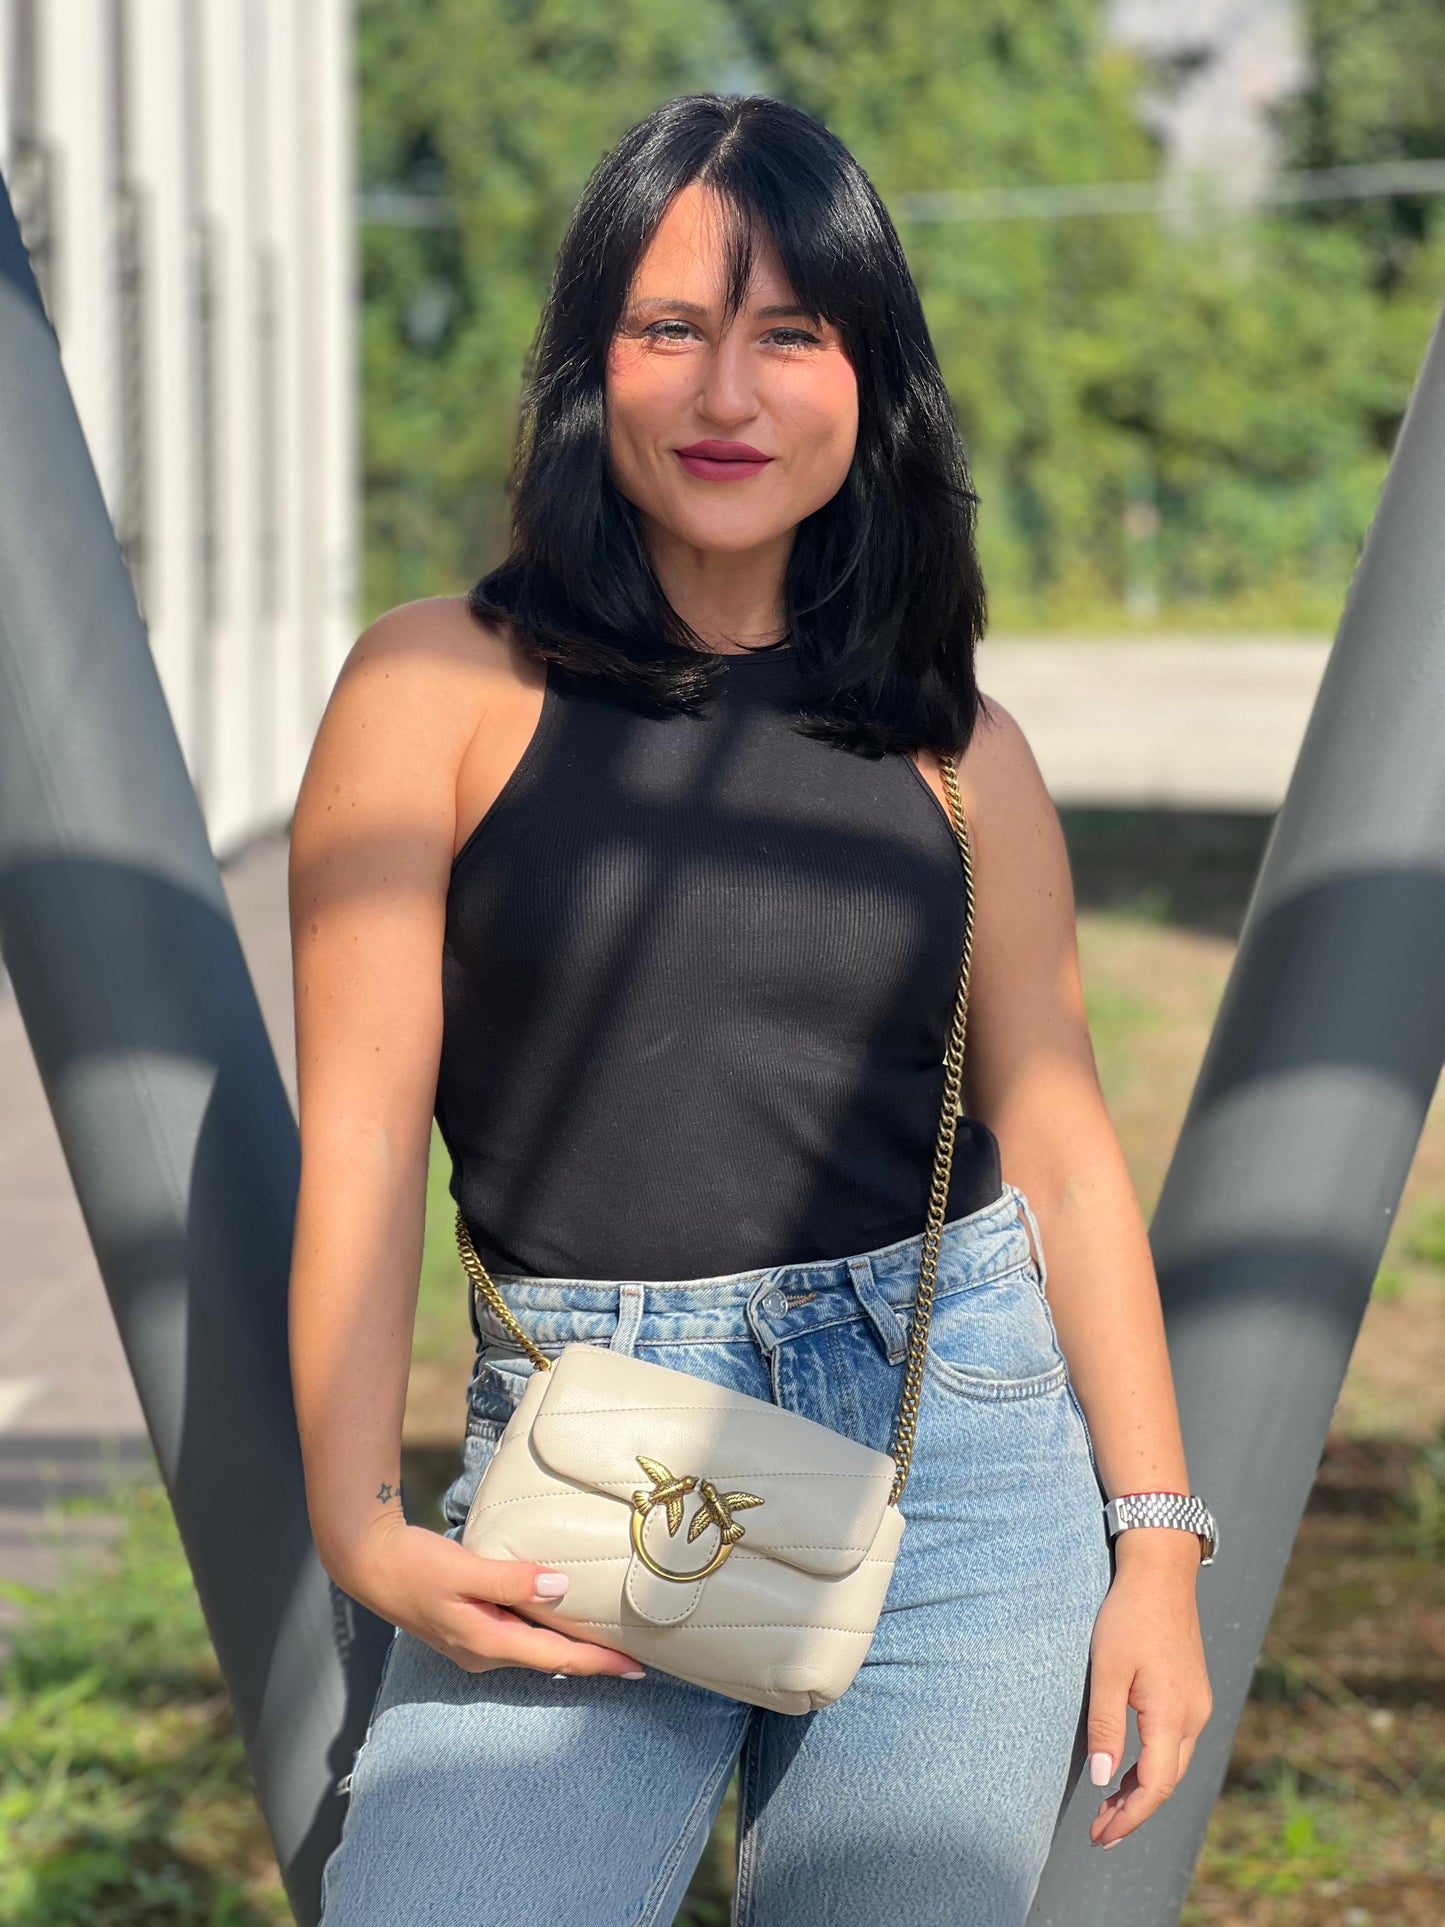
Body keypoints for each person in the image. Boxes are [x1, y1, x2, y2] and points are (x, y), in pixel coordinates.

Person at [290, 92, 1213, 1927]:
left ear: (869, 382)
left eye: (790, 333)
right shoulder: (437, 685)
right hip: (595, 1454)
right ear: (590, 369)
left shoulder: (956, 745)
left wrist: (1157, 1551)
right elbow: (367, 1140)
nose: (728, 393)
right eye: (669, 328)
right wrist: (358, 1524)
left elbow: (1060, 1150)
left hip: (963, 1462)